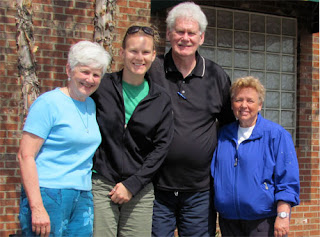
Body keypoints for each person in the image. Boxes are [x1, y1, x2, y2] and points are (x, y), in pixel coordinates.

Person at [148, 2, 235, 237]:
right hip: (155, 188)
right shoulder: (152, 70)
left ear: (201, 37)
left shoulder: (216, 75)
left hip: (199, 191)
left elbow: (229, 127)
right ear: (168, 34)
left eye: (191, 33)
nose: (185, 38)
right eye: (179, 31)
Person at [18, 41, 111, 237]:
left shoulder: (91, 106)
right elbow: (25, 156)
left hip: (82, 194)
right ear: (69, 69)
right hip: (49, 193)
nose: (90, 79)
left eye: (96, 74)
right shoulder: (48, 103)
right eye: (84, 72)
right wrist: (36, 207)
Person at [91, 25, 174, 237]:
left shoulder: (161, 98)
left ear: (154, 55)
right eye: (133, 51)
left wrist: (132, 184)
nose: (139, 57)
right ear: (122, 53)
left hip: (140, 189)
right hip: (101, 184)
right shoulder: (102, 87)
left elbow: (161, 147)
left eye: (146, 52)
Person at [211, 76, 300, 237]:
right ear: (232, 105)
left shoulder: (276, 135)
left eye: (250, 101)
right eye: (239, 100)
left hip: (263, 221)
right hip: (229, 221)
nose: (244, 105)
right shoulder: (223, 135)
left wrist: (283, 216)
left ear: (260, 105)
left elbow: (287, 180)